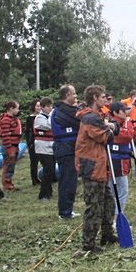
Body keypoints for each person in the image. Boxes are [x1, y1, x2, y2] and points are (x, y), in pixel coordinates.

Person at [75, 84, 116, 253]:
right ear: (94, 98)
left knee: (108, 201)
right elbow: (107, 137)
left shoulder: (96, 116)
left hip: (99, 165)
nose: (104, 99)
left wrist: (109, 125)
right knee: (94, 206)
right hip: (91, 166)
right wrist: (112, 128)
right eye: (102, 96)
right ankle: (88, 245)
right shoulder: (90, 118)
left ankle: (107, 234)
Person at [51, 84, 81, 220]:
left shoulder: (67, 110)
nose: (76, 96)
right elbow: (78, 121)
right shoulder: (62, 111)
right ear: (68, 94)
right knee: (67, 181)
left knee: (71, 180)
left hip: (70, 149)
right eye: (74, 94)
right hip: (65, 149)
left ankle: (67, 210)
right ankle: (64, 212)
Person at [107, 102, 135, 221]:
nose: (126, 113)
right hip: (116, 161)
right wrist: (128, 122)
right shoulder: (113, 124)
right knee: (121, 191)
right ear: (115, 112)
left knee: (115, 191)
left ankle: (113, 216)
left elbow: (132, 133)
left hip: (121, 160)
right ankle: (117, 218)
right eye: (123, 111)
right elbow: (127, 135)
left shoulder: (122, 122)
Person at [0, 101, 22, 191]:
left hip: (15, 145)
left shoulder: (13, 118)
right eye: (17, 108)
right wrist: (9, 148)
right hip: (9, 146)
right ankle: (6, 185)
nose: (18, 110)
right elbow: (5, 135)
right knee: (8, 166)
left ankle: (9, 182)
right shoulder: (5, 120)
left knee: (11, 166)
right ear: (11, 109)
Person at [34, 97, 55, 201]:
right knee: (48, 170)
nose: (50, 108)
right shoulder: (39, 118)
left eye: (51, 106)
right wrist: (52, 116)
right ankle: (43, 195)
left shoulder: (48, 116)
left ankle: (49, 191)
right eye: (48, 106)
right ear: (42, 107)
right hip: (42, 148)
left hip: (50, 148)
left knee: (51, 171)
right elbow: (49, 126)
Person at [24, 99, 41, 186]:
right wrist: (29, 143)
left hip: (42, 142)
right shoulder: (30, 118)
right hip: (33, 143)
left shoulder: (43, 116)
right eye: (37, 106)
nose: (39, 107)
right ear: (34, 107)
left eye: (40, 105)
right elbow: (27, 132)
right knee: (34, 162)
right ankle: (34, 179)